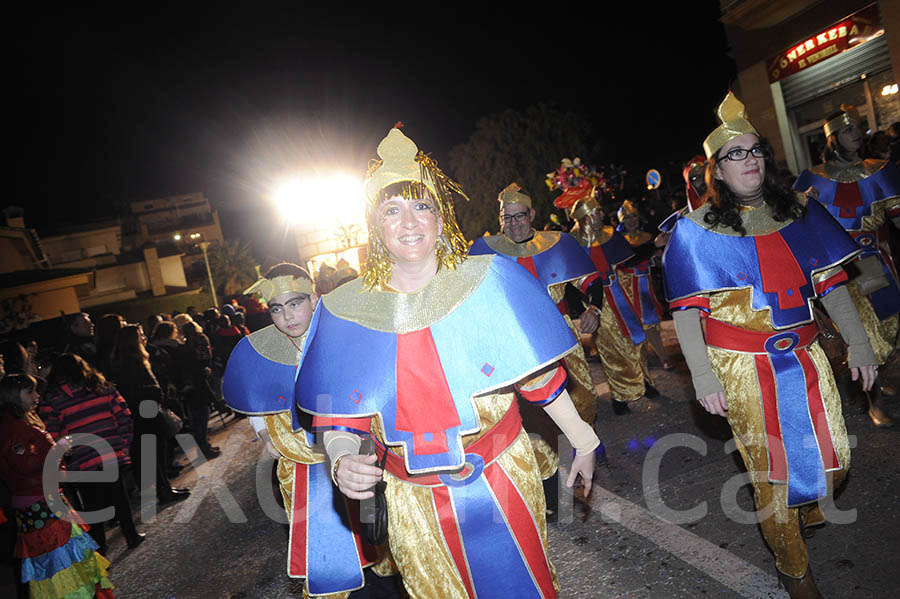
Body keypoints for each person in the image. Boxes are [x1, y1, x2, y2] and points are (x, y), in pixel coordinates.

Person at [295, 127, 599, 598]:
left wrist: (583, 438)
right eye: (391, 210)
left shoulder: (491, 281)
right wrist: (340, 461)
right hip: (411, 497)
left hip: (501, 475)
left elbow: (537, 378)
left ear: (441, 219)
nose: (410, 220)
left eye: (422, 206)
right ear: (374, 228)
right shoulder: (343, 310)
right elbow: (340, 416)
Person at [664, 92, 878, 598]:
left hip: (806, 358)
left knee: (834, 459)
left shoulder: (802, 212)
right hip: (741, 366)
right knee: (775, 476)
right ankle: (794, 568)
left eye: (755, 149)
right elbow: (687, 310)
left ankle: (801, 512)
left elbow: (832, 287)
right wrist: (702, 373)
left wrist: (860, 344)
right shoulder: (695, 232)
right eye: (735, 153)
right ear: (716, 170)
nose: (750, 160)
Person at [223, 263, 394, 598]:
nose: (287, 317)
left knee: (377, 553)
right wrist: (264, 434)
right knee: (331, 562)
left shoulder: (344, 331)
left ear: (314, 296)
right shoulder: (259, 351)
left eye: (295, 303)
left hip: (358, 460)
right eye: (276, 308)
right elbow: (255, 397)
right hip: (303, 473)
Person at [467, 181, 600, 514]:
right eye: (506, 217)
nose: (513, 224)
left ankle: (585, 449)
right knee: (536, 421)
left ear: (532, 214)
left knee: (582, 404)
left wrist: (593, 308)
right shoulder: (483, 250)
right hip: (516, 349)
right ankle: (550, 492)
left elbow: (590, 281)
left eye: (519, 216)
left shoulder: (557, 243)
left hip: (561, 340)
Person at [793, 104, 900, 427]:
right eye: (848, 129)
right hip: (841, 270)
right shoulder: (812, 178)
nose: (857, 133)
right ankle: (875, 402)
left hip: (877, 262)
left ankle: (878, 379)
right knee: (862, 332)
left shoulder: (881, 169)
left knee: (889, 327)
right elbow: (796, 228)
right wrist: (802, 206)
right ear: (833, 139)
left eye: (858, 127)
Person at [0, 374, 115, 598]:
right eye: (30, 392)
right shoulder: (16, 430)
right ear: (13, 397)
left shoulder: (18, 424)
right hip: (42, 504)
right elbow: (26, 465)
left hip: (39, 503)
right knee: (63, 561)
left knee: (59, 562)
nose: (36, 396)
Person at [562, 192, 654, 416]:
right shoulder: (572, 243)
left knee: (636, 339)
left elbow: (628, 260)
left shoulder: (611, 235)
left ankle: (644, 381)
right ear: (587, 217)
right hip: (596, 303)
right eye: (597, 212)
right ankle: (620, 395)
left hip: (622, 294)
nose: (603, 214)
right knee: (609, 348)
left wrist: (651, 247)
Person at [40, 354, 144, 552]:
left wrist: (65, 453)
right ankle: (131, 535)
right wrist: (122, 443)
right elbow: (124, 415)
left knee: (92, 505)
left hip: (81, 458)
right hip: (110, 452)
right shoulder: (102, 388)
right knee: (119, 496)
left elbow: (50, 432)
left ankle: (100, 548)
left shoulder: (52, 400)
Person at [112, 324, 190, 504]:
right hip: (146, 414)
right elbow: (134, 390)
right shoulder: (132, 362)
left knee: (154, 455)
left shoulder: (127, 360)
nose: (143, 337)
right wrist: (154, 392)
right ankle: (164, 491)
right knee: (155, 456)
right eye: (139, 335)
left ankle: (165, 489)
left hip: (143, 414)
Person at [616, 200, 672, 372]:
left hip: (646, 285)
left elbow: (654, 259)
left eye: (633, 216)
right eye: (627, 218)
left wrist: (658, 258)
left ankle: (659, 356)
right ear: (621, 222)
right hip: (627, 287)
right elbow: (630, 258)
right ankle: (645, 361)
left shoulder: (648, 236)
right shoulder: (619, 241)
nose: (631, 221)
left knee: (651, 323)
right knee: (635, 326)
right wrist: (652, 247)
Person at [181, 321, 221, 458]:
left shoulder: (184, 346)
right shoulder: (199, 341)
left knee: (198, 417)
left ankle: (204, 445)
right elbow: (205, 358)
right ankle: (204, 448)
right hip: (199, 381)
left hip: (191, 385)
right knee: (202, 415)